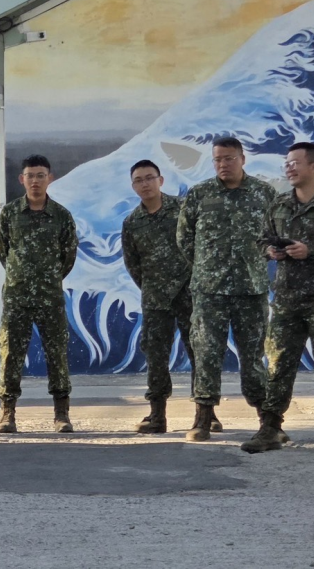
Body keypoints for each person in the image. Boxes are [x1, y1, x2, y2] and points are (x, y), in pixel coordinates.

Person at [242, 142, 314, 454]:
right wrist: (271, 251)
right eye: (287, 163)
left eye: (295, 162)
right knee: (278, 364)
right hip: (286, 300)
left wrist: (312, 251)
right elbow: (261, 240)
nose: (289, 168)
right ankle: (270, 428)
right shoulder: (279, 204)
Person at [177, 136, 276, 442]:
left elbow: (276, 234)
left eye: (229, 158)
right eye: (218, 159)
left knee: (253, 356)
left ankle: (267, 420)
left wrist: (255, 261)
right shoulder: (200, 194)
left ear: (242, 159)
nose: (223, 164)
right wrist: (208, 267)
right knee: (206, 354)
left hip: (251, 289)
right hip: (210, 292)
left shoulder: (264, 193)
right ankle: (203, 418)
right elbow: (184, 238)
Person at [0, 154, 78, 434]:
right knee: (11, 354)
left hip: (50, 297)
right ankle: (7, 413)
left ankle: (61, 414)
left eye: (40, 175)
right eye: (30, 176)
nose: (35, 181)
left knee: (57, 354)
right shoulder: (9, 213)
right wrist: (22, 277)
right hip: (17, 297)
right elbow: (4, 251)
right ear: (22, 179)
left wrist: (49, 278)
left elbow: (68, 255)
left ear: (49, 178)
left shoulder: (62, 215)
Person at [121, 159, 196, 434]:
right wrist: (152, 287)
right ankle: (157, 414)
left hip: (189, 293)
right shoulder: (132, 222)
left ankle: (206, 413)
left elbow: (199, 246)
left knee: (199, 352)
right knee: (155, 355)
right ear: (133, 186)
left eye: (149, 178)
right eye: (139, 180)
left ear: (161, 180)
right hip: (155, 299)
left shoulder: (183, 209)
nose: (145, 184)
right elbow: (133, 263)